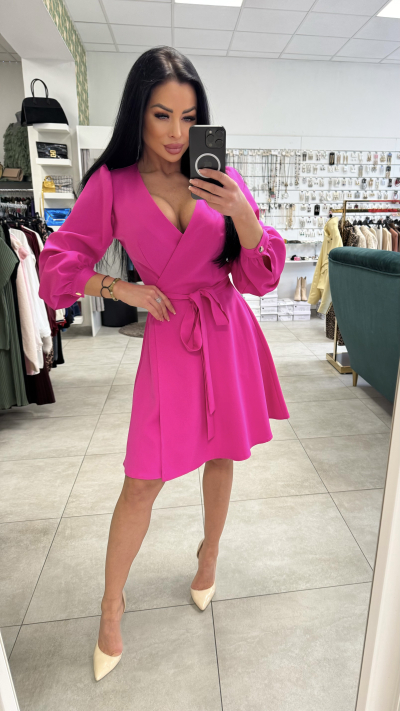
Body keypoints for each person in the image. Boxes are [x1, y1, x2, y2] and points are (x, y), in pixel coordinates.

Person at [38, 46, 290, 682]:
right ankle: (111, 606)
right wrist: (122, 289)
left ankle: (209, 555)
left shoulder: (223, 181)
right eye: (162, 115)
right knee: (143, 479)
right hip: (169, 337)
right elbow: (58, 264)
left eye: (189, 116)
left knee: (223, 455)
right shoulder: (113, 184)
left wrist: (243, 215)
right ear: (138, 114)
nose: (177, 132)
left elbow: (258, 277)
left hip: (224, 329)